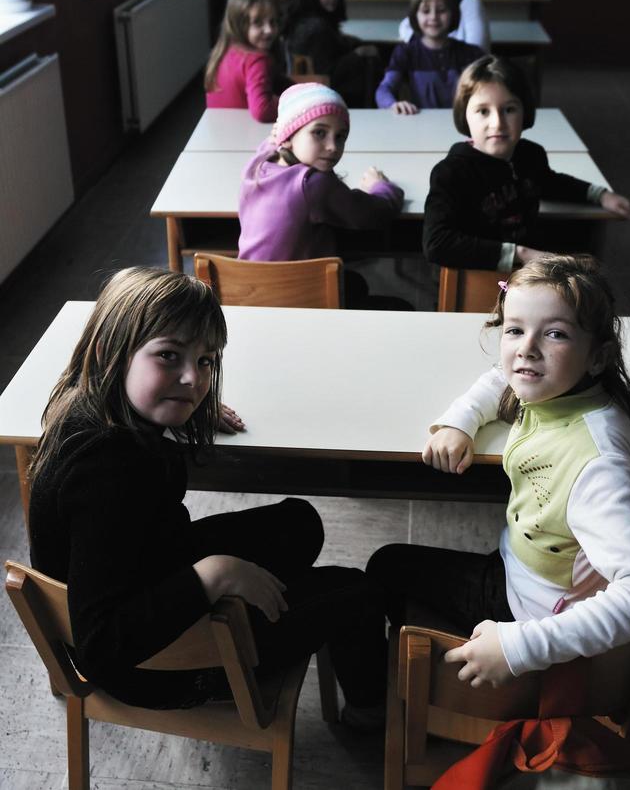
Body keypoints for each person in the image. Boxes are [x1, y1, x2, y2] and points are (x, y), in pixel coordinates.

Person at [28, 266, 387, 723]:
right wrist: (212, 577)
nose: (192, 380)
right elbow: (102, 646)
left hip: (148, 575)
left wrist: (179, 403)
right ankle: (367, 715)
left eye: (205, 362)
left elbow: (117, 548)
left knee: (299, 522)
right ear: (110, 354)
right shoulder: (108, 478)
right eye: (169, 357)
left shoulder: (88, 411)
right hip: (153, 668)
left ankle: (259, 606)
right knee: (358, 592)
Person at [366, 253, 630, 688]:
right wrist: (461, 420)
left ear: (598, 356)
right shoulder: (564, 385)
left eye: (554, 334)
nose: (526, 349)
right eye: (515, 330)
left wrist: (521, 646)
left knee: (387, 566)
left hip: (531, 611)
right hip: (529, 576)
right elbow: (505, 375)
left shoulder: (597, 466)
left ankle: (374, 705)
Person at [422, 55, 630, 270]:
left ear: (525, 112)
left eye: (509, 109)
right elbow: (436, 244)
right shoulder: (451, 173)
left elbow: (550, 183)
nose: (497, 123)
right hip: (477, 278)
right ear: (464, 115)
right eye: (483, 111)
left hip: (529, 272)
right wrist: (521, 253)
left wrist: (600, 195)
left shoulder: (530, 154)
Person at [238, 82, 409, 309]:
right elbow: (374, 213)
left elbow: (270, 142)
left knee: (354, 283)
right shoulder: (315, 184)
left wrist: (282, 132)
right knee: (398, 305)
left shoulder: (259, 162)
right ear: (287, 136)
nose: (332, 147)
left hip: (249, 291)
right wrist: (382, 187)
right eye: (319, 133)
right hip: (300, 299)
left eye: (340, 136)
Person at [283, 0, 380, 107]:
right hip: (325, 98)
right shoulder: (317, 30)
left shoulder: (301, 19)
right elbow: (327, 76)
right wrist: (358, 54)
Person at [375, 0, 483, 113]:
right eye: (426, 11)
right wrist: (393, 104)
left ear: (453, 14)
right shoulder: (406, 52)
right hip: (420, 126)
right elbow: (384, 89)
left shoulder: (471, 54)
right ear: (415, 15)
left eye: (441, 10)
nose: (433, 17)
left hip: (463, 126)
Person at [204, 0, 292, 121]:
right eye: (258, 22)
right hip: (247, 137)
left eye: (273, 21)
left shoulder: (224, 50)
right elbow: (262, 111)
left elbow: (274, 79)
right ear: (239, 24)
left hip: (221, 132)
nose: (269, 30)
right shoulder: (257, 60)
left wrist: (298, 90)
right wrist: (294, 103)